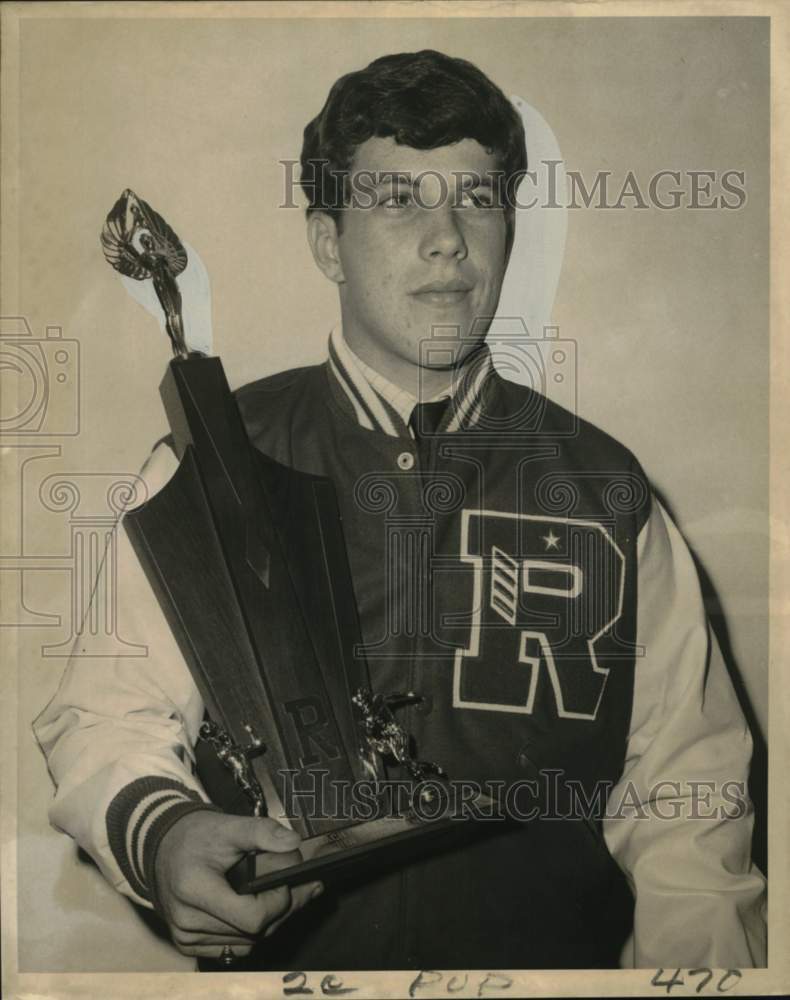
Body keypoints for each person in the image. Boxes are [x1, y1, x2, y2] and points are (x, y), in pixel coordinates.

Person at [34, 49, 766, 971]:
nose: (449, 237)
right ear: (328, 241)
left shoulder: (604, 488)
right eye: (397, 199)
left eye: (477, 196)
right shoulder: (214, 460)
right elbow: (103, 714)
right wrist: (163, 835)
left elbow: (690, 799)